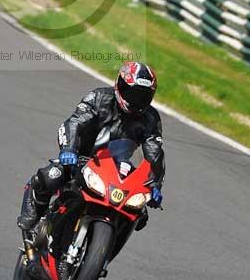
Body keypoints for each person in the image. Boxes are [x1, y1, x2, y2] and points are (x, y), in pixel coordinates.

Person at [17, 61, 165, 231]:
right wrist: (69, 150)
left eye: (143, 96)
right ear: (120, 85)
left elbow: (155, 153)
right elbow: (74, 124)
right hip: (82, 159)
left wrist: (155, 186)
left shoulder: (151, 118)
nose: (136, 101)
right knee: (52, 175)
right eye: (133, 94)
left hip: (118, 169)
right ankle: (35, 215)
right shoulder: (99, 98)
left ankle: (105, 249)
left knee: (139, 212)